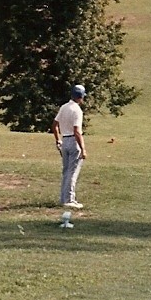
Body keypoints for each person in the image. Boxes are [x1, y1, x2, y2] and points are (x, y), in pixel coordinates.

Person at [52, 83, 88, 224]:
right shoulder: (77, 110)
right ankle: (69, 200)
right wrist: (83, 148)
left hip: (64, 141)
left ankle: (64, 198)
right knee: (73, 171)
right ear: (80, 97)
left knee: (66, 170)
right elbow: (77, 131)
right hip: (73, 142)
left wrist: (57, 140)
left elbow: (54, 125)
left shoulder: (64, 107)